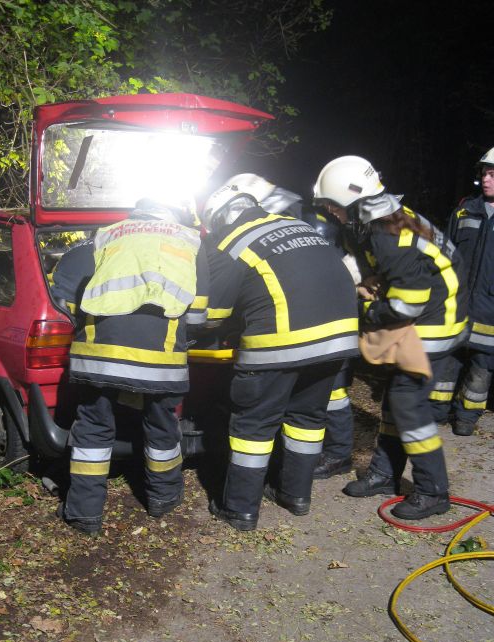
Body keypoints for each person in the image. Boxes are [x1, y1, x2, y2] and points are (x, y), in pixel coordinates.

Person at [313, 156, 468, 520]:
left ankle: (433, 491)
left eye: (333, 206)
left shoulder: (387, 235)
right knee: (395, 402)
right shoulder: (387, 217)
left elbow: (406, 304)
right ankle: (385, 474)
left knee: (407, 403)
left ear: (351, 202)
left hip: (435, 323)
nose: (332, 213)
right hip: (435, 314)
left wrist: (367, 313)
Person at [201, 174, 360, 531]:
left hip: (279, 344)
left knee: (253, 426)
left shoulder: (231, 241)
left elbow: (212, 315)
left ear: (220, 218)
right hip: (339, 339)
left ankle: (239, 509)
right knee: (307, 420)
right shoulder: (297, 225)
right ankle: (295, 495)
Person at [51, 197, 208, 534]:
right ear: (173, 213)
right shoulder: (190, 241)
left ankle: (84, 514)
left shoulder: (107, 236)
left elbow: (64, 295)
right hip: (160, 359)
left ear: (134, 214)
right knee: (162, 424)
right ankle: (163, 500)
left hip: (99, 355)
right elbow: (198, 315)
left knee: (93, 428)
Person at [430, 147, 494, 435]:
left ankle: (466, 417)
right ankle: (436, 412)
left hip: (491, 310)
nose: (487, 178)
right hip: (458, 303)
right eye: (485, 172)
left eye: (493, 173)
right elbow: (445, 253)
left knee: (482, 367)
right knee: (447, 360)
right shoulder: (464, 210)